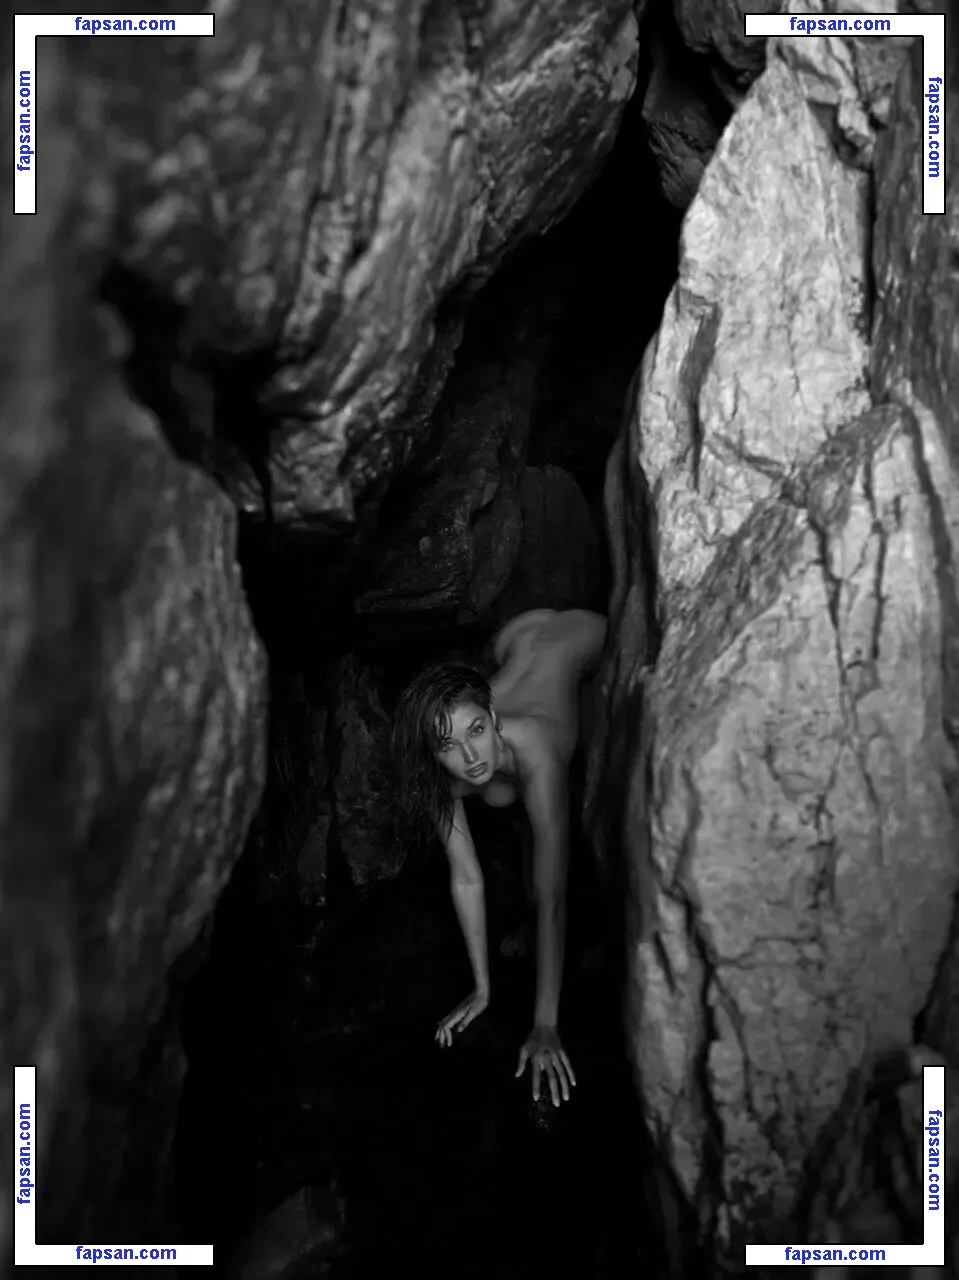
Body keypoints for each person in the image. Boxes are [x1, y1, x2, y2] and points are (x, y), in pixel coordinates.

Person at [392, 608, 606, 1108]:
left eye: (476, 731)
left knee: (551, 813)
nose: (469, 757)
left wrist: (545, 1024)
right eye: (448, 745)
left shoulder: (537, 749)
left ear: (491, 719)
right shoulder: (440, 779)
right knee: (498, 792)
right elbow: (466, 877)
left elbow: (552, 896)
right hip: (515, 637)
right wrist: (481, 988)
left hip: (586, 640)